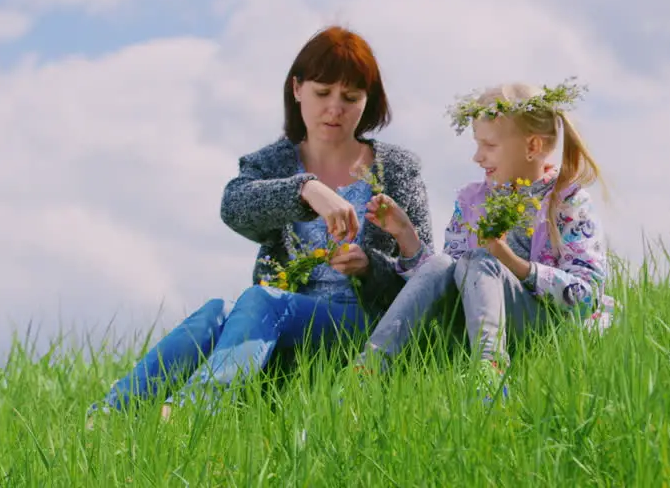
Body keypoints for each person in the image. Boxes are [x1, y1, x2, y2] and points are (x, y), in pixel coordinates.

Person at [87, 25, 434, 422]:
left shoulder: (398, 170)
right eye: (322, 93)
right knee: (217, 311)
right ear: (297, 89)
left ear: (367, 101)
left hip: (364, 323)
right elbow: (234, 206)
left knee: (259, 298)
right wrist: (306, 190)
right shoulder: (271, 163)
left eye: (350, 97)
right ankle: (108, 415)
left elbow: (428, 277)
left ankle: (194, 411)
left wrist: (370, 266)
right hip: (285, 318)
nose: (335, 108)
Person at [355, 77, 613, 400]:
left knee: (482, 264)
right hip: (472, 324)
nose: (477, 157)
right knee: (445, 263)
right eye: (477, 144)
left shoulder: (568, 202)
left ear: (532, 147)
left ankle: (490, 378)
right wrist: (405, 234)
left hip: (545, 327)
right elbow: (445, 275)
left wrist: (513, 264)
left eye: (489, 146)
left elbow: (586, 295)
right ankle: (367, 369)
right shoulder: (473, 201)